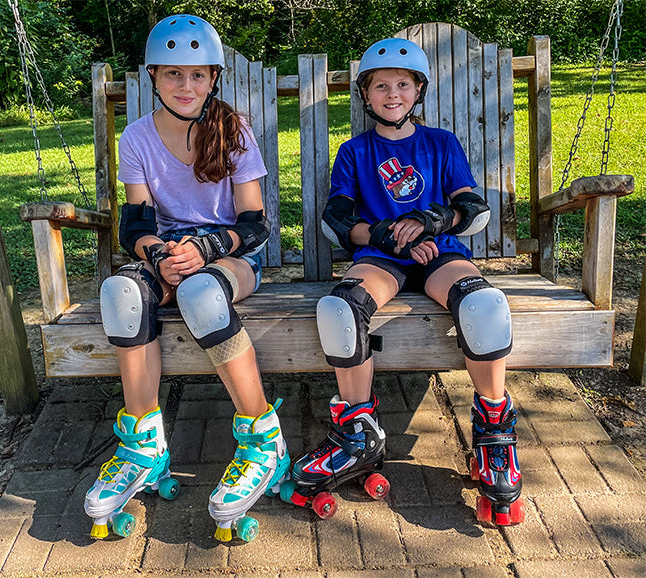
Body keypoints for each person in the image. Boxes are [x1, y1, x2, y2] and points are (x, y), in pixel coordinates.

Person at [285, 37, 521, 526]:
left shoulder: (440, 143)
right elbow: (338, 217)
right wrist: (387, 235)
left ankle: (494, 435)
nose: (392, 93)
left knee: (485, 306)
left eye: (403, 84)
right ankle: (357, 434)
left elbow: (473, 210)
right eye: (380, 86)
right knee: (340, 308)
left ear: (419, 91)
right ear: (365, 95)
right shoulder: (354, 150)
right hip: (381, 255)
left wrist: (430, 223)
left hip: (440, 252)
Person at [84, 15, 288, 543]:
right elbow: (135, 223)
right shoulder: (137, 137)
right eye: (173, 73)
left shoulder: (233, 130)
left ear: (214, 78)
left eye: (198, 75)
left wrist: (204, 249)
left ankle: (264, 440)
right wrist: (158, 256)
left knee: (200, 291)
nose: (186, 86)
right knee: (120, 291)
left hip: (230, 256)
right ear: (152, 77)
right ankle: (143, 446)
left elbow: (255, 223)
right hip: (167, 254)